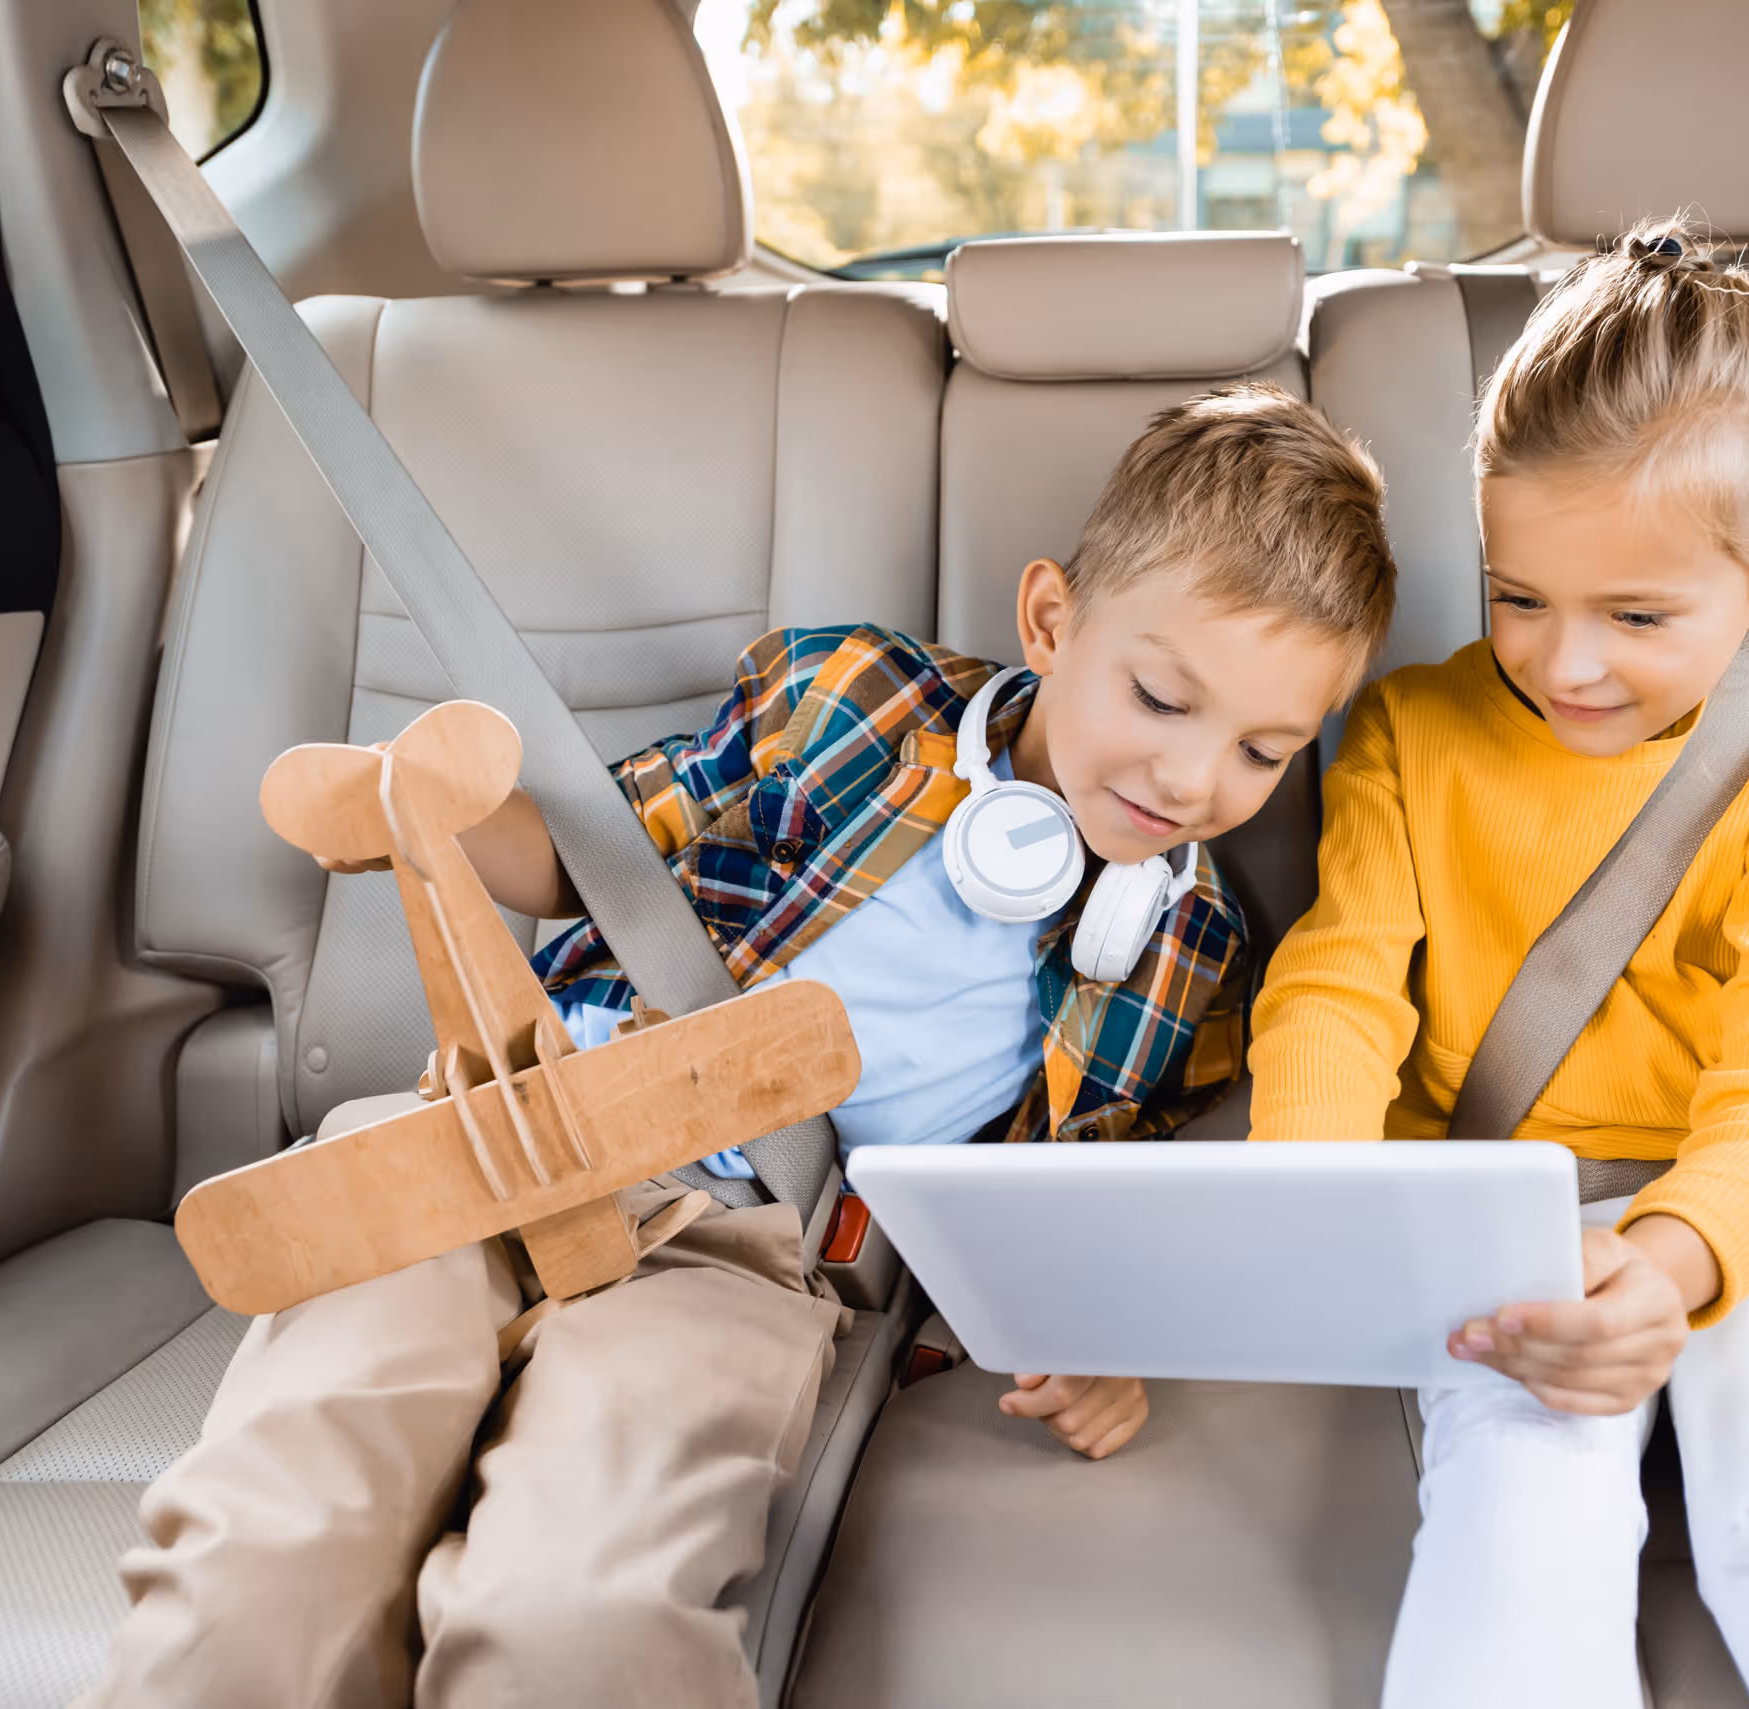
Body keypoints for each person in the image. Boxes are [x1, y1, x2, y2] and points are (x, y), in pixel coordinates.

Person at [81, 382, 1396, 1709]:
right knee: (278, 1533)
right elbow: (589, 864)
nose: (1192, 781)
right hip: (492, 1137)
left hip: (754, 1262)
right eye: (1164, 699)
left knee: (579, 1612)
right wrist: (430, 808)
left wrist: (1109, 1339)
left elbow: (1108, 1207)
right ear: (1051, 621)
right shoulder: (850, 706)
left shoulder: (1193, 949)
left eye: (1264, 752)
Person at [1246, 223, 1749, 1709]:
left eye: (1639, 616)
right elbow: (1339, 984)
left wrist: (1673, 1263)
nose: (1567, 664)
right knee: (1519, 1526)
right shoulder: (1414, 736)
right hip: (1502, 1216)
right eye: (1519, 596)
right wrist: (1313, 1209)